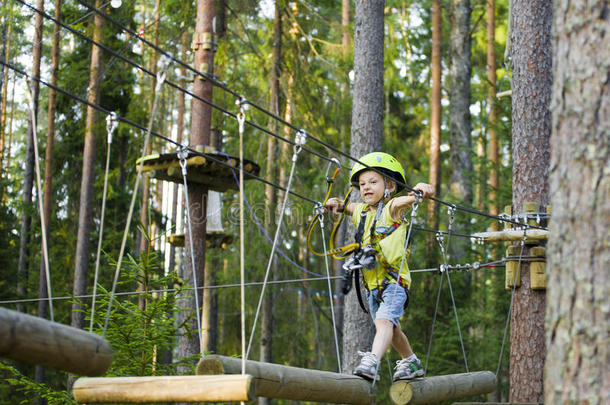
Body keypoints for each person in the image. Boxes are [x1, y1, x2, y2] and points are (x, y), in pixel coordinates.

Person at [325, 152, 434, 382]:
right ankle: (412, 362)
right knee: (392, 330)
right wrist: (336, 203)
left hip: (394, 283)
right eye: (362, 184)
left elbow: (411, 199)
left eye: (373, 182)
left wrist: (421, 191)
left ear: (390, 186)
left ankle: (372, 361)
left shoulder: (392, 207)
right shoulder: (362, 212)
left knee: (384, 323)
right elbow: (348, 207)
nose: (366, 188)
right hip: (372, 286)